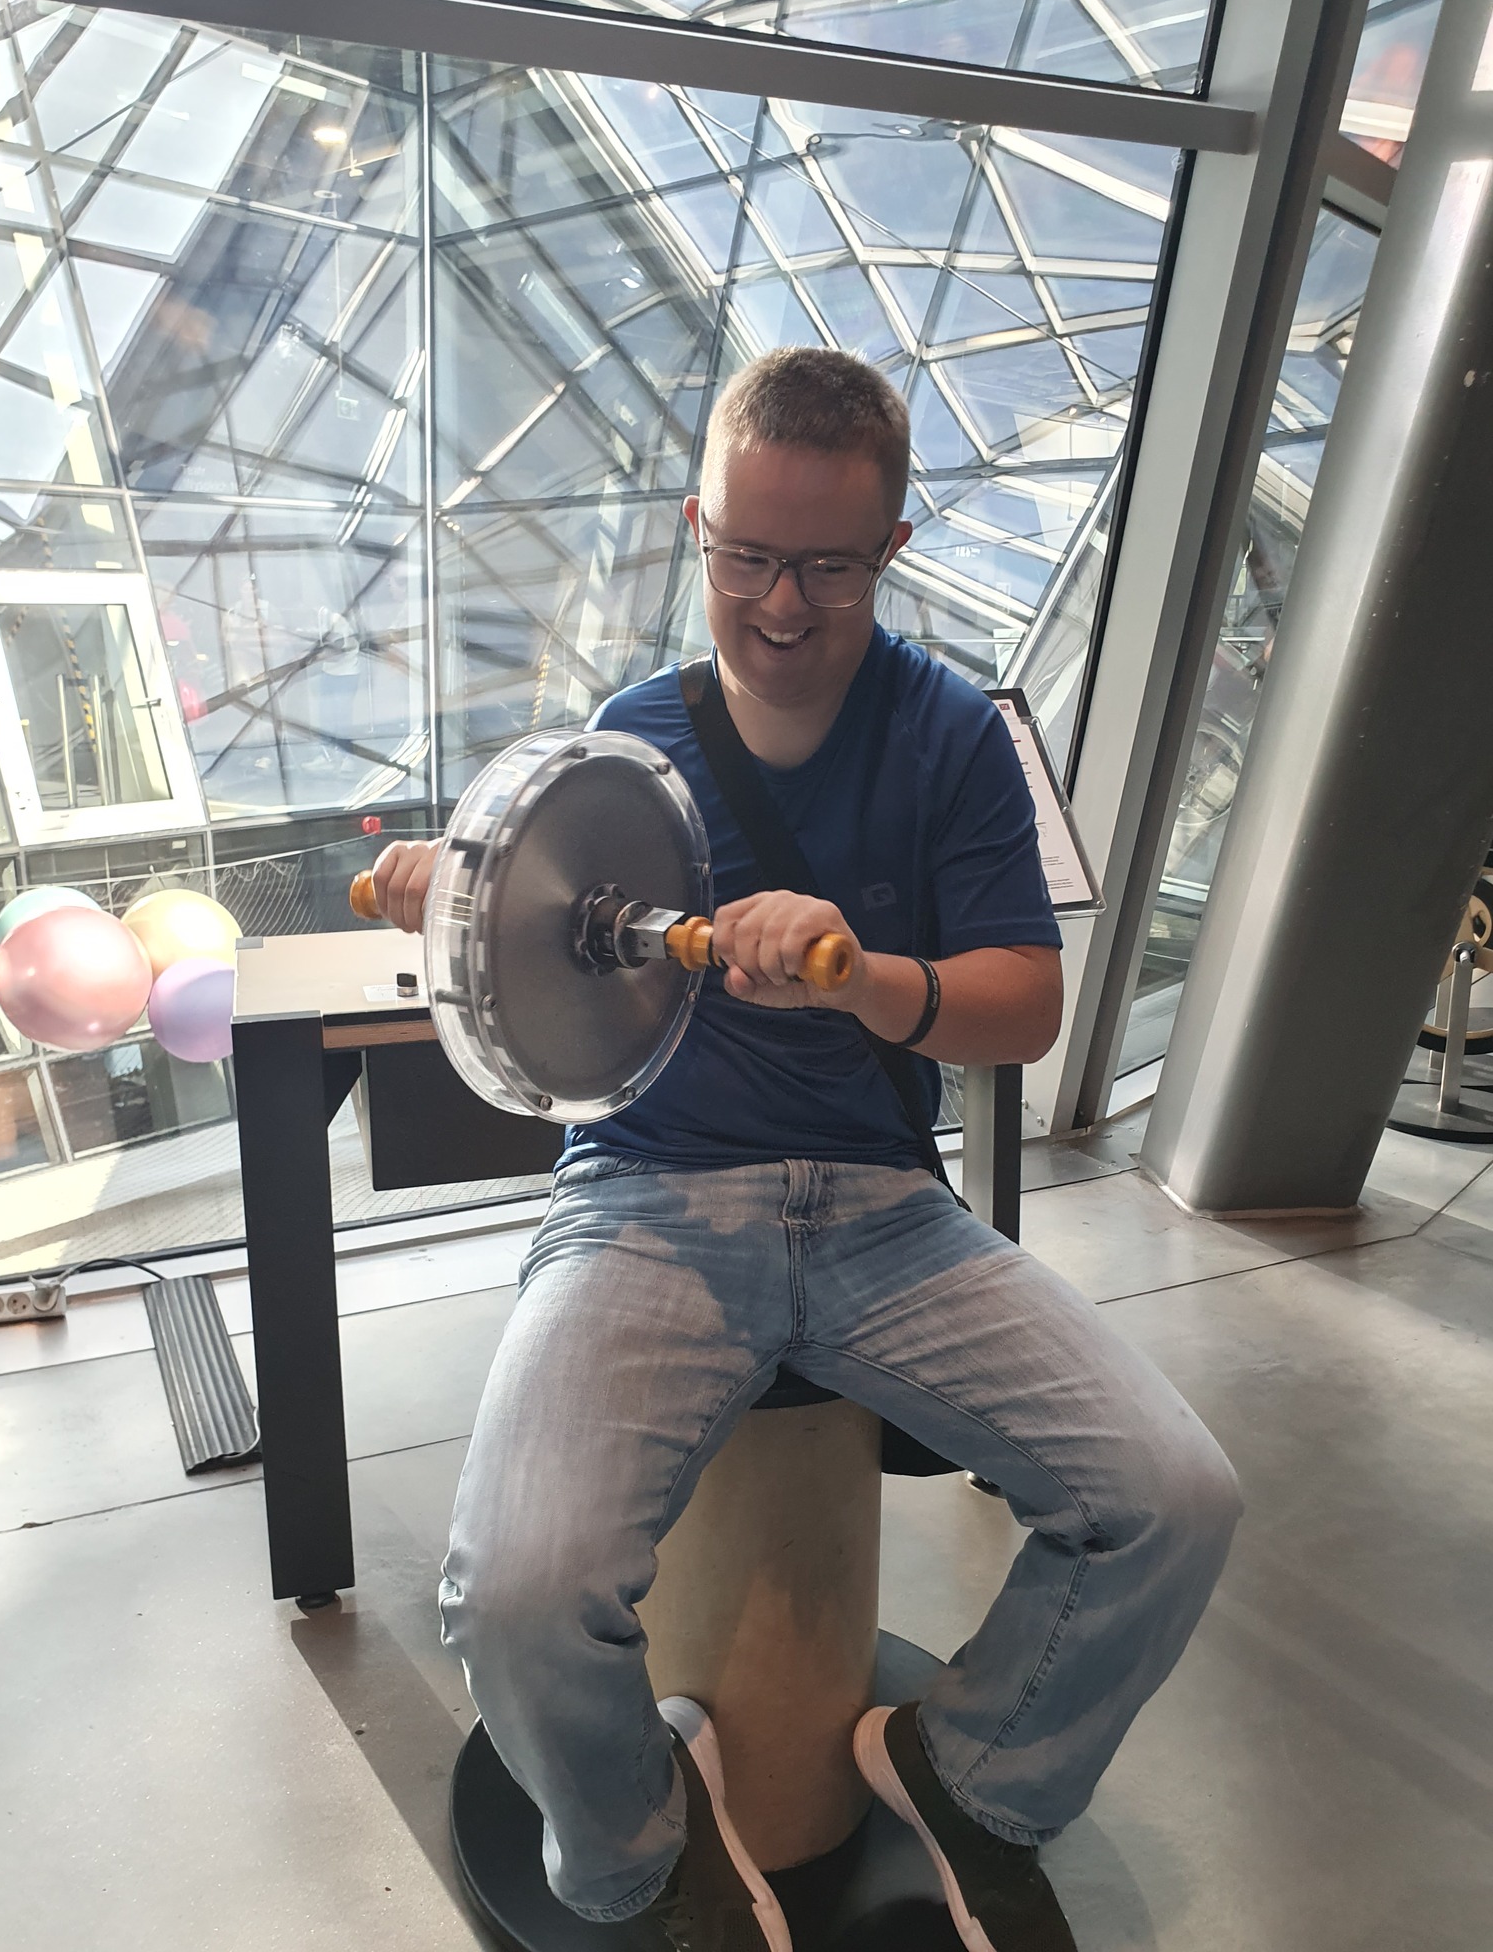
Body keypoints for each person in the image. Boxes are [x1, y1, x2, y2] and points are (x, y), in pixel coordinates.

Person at [370, 348, 1242, 1952]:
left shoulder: (952, 736)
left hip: (883, 1214)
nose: (780, 604)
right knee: (513, 1589)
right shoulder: (631, 743)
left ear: (892, 546)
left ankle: (971, 1774)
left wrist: (864, 977)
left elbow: (1026, 1006)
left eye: (829, 566)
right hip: (645, 1198)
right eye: (748, 555)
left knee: (1173, 1499)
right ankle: (644, 1861)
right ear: (696, 526)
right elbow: (567, 982)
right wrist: (465, 896)